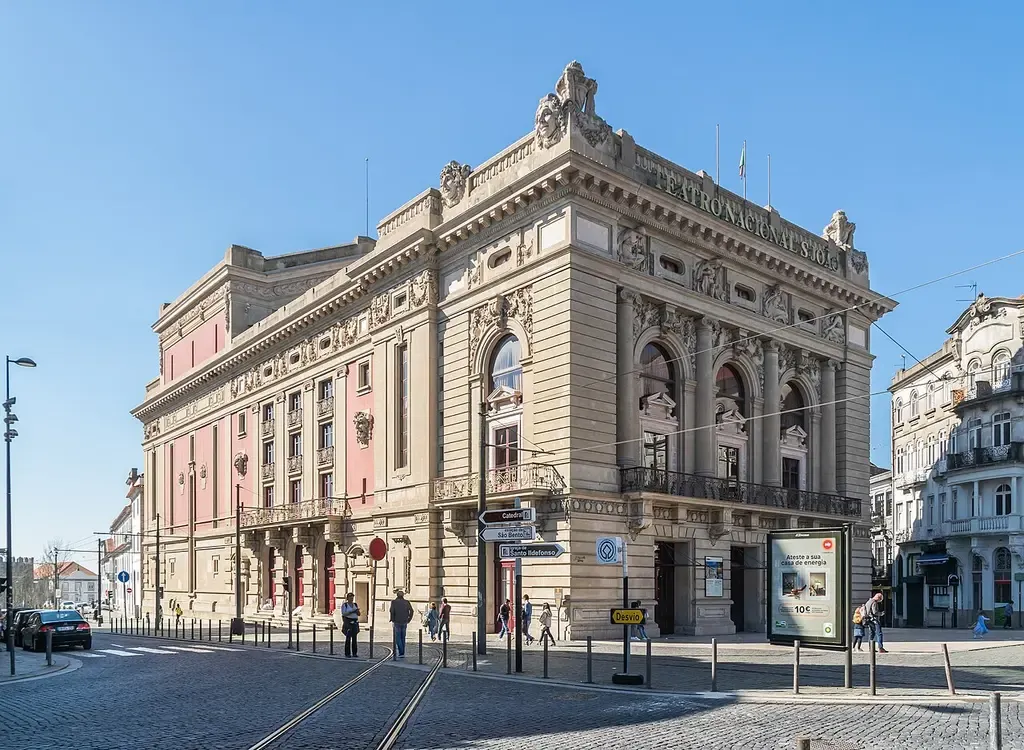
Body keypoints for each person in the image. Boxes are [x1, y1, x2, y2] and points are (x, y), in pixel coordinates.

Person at [389, 590, 414, 658]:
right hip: (404, 621)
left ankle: (401, 651)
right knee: (403, 637)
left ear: (397, 595)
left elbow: (392, 611)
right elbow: (411, 611)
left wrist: (392, 619)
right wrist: (409, 619)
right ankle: (402, 652)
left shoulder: (393, 602)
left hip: (396, 621)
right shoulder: (406, 602)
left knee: (398, 638)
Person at [340, 592, 360, 658]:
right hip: (348, 622)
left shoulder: (355, 605)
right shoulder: (345, 605)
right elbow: (343, 614)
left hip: (355, 622)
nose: (351, 598)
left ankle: (354, 653)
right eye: (350, 597)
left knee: (354, 638)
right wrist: (351, 611)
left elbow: (359, 614)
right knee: (348, 638)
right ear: (347, 598)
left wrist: (357, 611)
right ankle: (347, 653)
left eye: (352, 597)